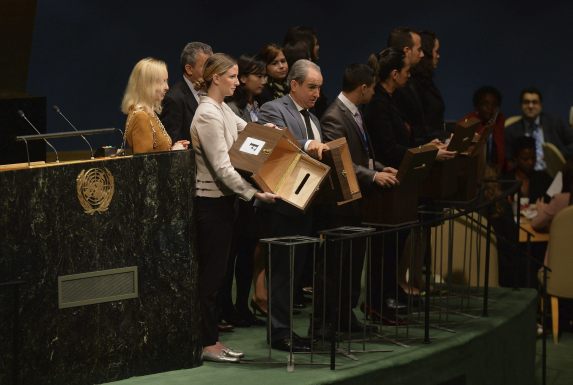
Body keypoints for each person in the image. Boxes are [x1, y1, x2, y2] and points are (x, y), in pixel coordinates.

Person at [191, 53, 279, 363]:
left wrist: (267, 131)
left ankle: (212, 340)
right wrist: (253, 194)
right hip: (211, 205)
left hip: (225, 204)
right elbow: (222, 167)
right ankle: (207, 342)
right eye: (231, 76)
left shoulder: (223, 110)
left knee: (219, 275)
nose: (237, 82)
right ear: (215, 78)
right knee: (212, 278)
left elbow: (248, 130)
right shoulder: (207, 115)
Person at [318, 63, 398, 334]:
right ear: (363, 88)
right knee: (337, 267)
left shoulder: (353, 113)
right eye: (373, 88)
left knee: (352, 266)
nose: (374, 93)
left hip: (358, 200)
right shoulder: (333, 117)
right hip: (341, 203)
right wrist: (373, 177)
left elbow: (360, 155)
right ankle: (331, 321)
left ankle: (346, 317)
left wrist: (377, 167)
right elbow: (342, 161)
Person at [257, 59, 329, 352]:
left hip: (307, 203)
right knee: (282, 272)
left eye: (320, 88)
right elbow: (269, 143)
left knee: (296, 272)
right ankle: (278, 332)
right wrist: (305, 144)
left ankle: (287, 328)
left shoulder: (313, 118)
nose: (316, 94)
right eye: (311, 87)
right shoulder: (273, 109)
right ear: (294, 85)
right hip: (283, 203)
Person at [218, 54, 267, 328]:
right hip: (238, 188)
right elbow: (240, 149)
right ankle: (226, 307)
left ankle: (243, 306)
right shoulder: (229, 108)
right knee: (232, 254)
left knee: (249, 252)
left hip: (254, 187)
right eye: (256, 75)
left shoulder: (255, 106)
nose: (262, 80)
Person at [121, 57, 189, 154]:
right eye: (162, 81)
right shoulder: (141, 117)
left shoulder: (148, 113)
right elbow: (145, 164)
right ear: (147, 84)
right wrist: (173, 152)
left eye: (166, 81)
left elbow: (155, 153)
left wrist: (173, 149)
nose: (167, 87)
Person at [505, 87, 573, 171]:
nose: (530, 106)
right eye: (526, 102)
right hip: (526, 176)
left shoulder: (555, 123)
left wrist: (556, 155)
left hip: (553, 173)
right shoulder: (511, 130)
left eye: (534, 102)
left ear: (540, 105)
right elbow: (508, 158)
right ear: (521, 105)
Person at [160, 42, 213, 142]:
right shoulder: (174, 99)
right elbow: (172, 143)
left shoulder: (212, 92)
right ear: (189, 69)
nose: (212, 71)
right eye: (206, 67)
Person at [463, 86, 506, 173]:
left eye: (494, 104)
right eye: (485, 104)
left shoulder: (501, 122)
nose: (490, 108)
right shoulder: (467, 124)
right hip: (471, 173)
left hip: (496, 174)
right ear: (477, 106)